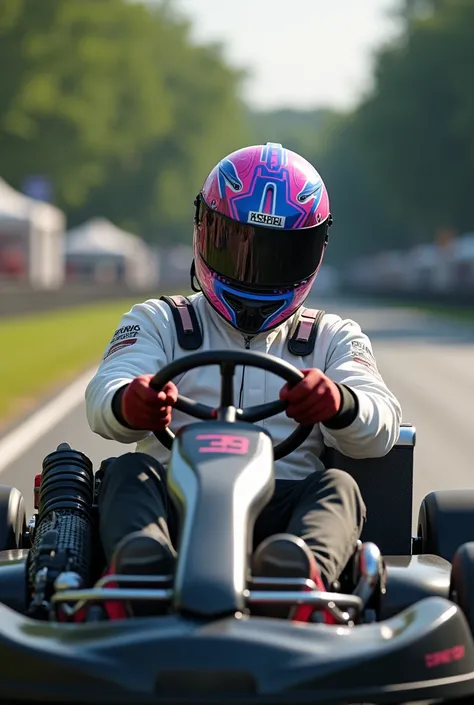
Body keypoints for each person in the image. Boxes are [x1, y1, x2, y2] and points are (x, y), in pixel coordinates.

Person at [85, 142, 402, 619]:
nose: (254, 270)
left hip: (284, 511)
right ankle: (139, 567)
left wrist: (339, 402)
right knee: (127, 473)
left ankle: (300, 577)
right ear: (203, 230)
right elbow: (105, 392)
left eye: (277, 255)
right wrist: (132, 403)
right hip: (175, 507)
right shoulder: (160, 321)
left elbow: (383, 423)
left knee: (338, 484)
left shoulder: (332, 337)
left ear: (312, 252)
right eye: (235, 244)